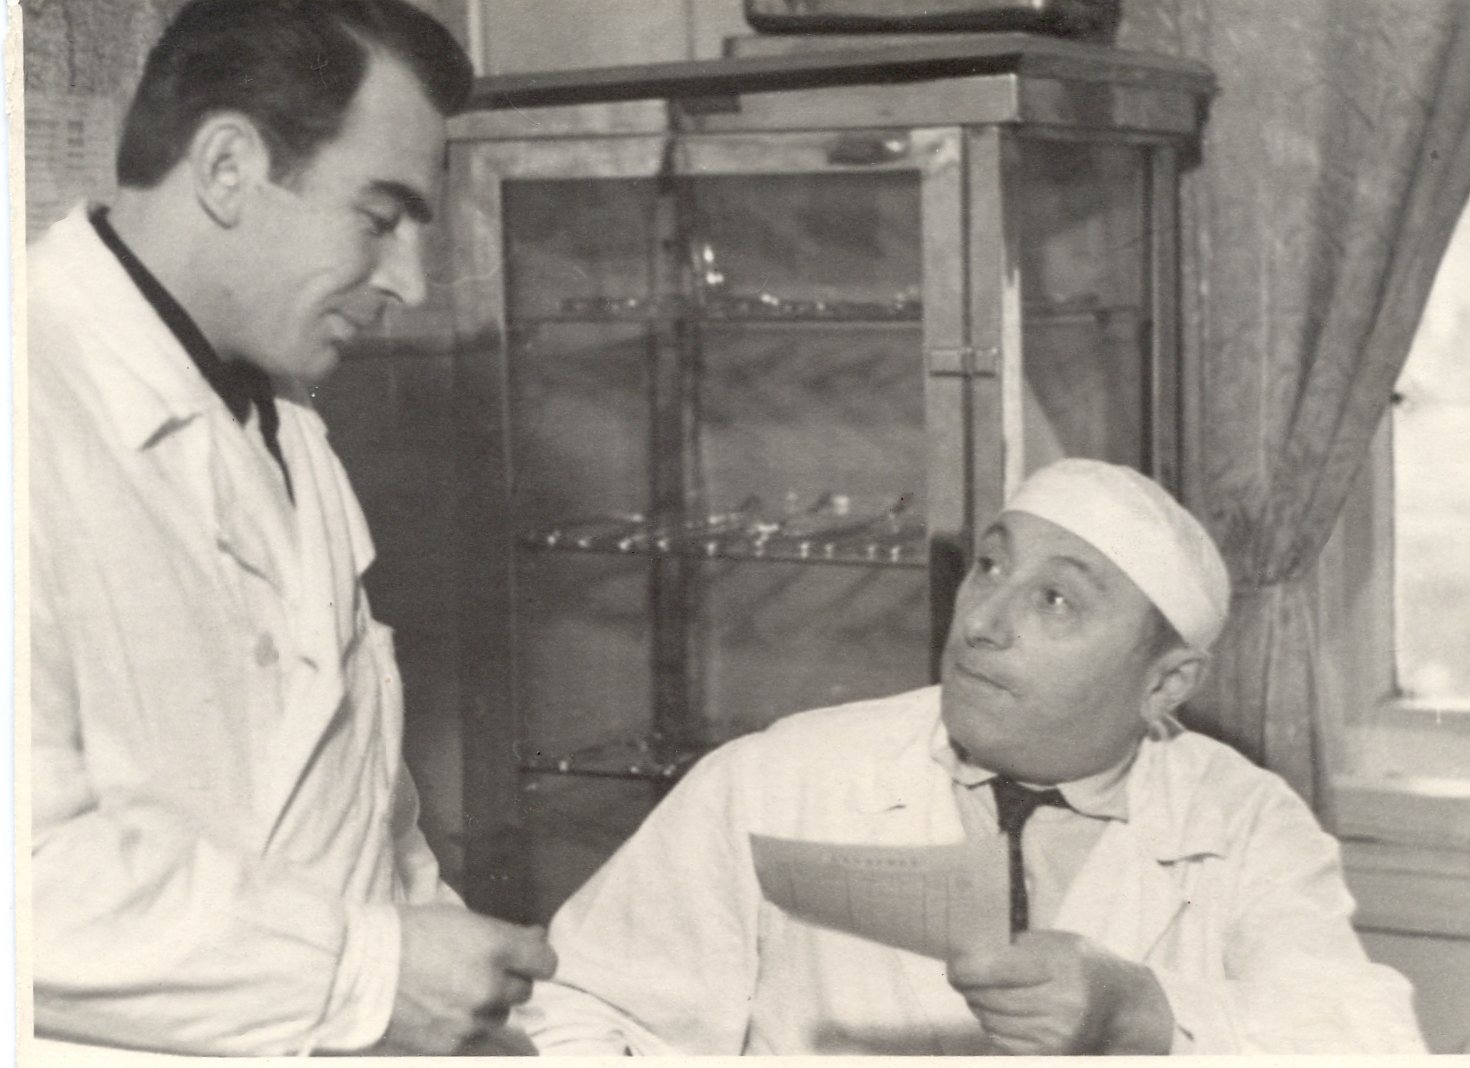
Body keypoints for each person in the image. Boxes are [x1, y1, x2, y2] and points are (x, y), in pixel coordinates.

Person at [28, 0, 554, 1056]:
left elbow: (361, 816)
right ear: (228, 168)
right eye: (381, 216)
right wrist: (371, 973)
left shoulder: (276, 414)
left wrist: (450, 985)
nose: (410, 281)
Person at [514, 458, 1426, 1055]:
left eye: (1056, 601)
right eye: (990, 567)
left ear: (1165, 683)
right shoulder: (775, 779)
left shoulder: (1244, 821)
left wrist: (1141, 1012)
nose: (983, 621)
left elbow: (1370, 1046)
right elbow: (580, 1011)